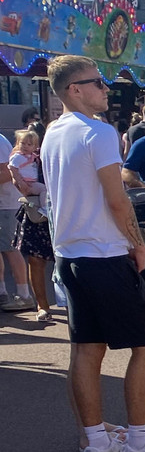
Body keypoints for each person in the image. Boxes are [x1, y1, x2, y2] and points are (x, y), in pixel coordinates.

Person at [41, 55, 145, 452]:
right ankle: (140, 441)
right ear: (74, 89)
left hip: (70, 255)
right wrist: (136, 242)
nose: (107, 89)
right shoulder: (99, 132)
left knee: (86, 349)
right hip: (103, 254)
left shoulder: (53, 132)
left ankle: (95, 444)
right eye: (98, 83)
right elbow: (116, 197)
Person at [10, 129, 53, 322]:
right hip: (36, 209)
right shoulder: (27, 156)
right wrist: (18, 181)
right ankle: (42, 305)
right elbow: (14, 174)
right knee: (36, 260)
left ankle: (74, 304)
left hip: (65, 209)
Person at [0, 125, 33, 314]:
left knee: (11, 248)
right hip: (4, 204)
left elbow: (7, 173)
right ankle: (2, 292)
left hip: (8, 204)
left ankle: (24, 295)